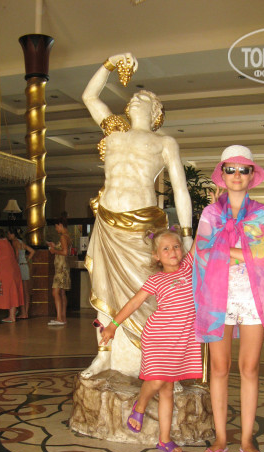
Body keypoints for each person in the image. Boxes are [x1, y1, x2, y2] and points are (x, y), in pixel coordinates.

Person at [81, 52, 193, 379]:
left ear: (156, 111)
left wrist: (187, 234)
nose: (134, 99)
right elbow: (89, 96)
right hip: (107, 221)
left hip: (143, 226)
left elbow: (181, 189)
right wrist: (110, 63)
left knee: (147, 294)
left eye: (143, 98)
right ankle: (104, 355)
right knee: (103, 290)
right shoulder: (114, 132)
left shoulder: (164, 142)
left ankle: (158, 361)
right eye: (133, 97)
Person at [193, 145, 264, 452]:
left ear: (252, 175)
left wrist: (226, 251)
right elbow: (201, 253)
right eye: (230, 169)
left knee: (250, 368)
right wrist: (246, 253)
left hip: (253, 296)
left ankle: (247, 439)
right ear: (222, 175)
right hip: (217, 297)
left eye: (243, 170)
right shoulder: (211, 215)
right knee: (219, 369)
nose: (237, 175)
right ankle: (221, 439)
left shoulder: (263, 214)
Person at [99, 226, 202, 452]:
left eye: (176, 246)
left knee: (167, 389)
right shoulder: (156, 279)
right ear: (156, 256)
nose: (172, 251)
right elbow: (134, 303)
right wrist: (113, 325)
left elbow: (201, 238)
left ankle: (164, 440)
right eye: (165, 249)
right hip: (157, 337)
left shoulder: (188, 267)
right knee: (156, 381)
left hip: (180, 341)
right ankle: (141, 405)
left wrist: (212, 211)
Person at [0, 228, 24, 322]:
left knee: (7, 293)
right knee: (13, 293)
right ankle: (12, 316)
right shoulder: (8, 243)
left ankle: (11, 316)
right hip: (14, 272)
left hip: (4, 273)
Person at [46, 217, 72, 326]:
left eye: (56, 227)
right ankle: (63, 317)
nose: (56, 229)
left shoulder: (63, 237)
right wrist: (55, 246)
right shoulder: (68, 236)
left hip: (60, 268)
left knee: (55, 292)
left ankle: (59, 318)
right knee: (62, 293)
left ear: (60, 225)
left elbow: (65, 252)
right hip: (64, 267)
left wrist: (53, 250)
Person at [7, 228, 35, 319]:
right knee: (26, 291)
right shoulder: (21, 242)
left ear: (13, 234)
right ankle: (26, 312)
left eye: (9, 234)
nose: (8, 236)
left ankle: (23, 312)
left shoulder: (14, 242)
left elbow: (17, 255)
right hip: (25, 266)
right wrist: (27, 260)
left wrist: (13, 264)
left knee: (21, 291)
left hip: (19, 266)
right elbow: (32, 251)